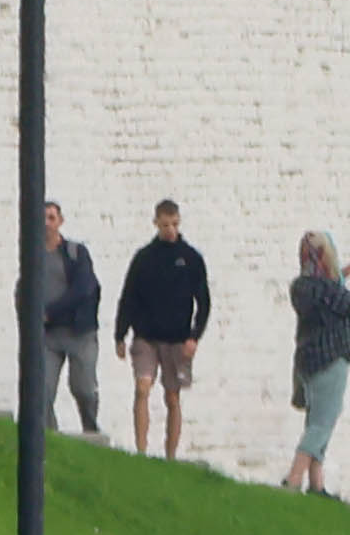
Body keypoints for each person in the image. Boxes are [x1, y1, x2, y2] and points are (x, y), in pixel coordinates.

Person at [282, 228, 350, 496]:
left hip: (306, 359)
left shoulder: (300, 287)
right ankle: (294, 480)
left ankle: (317, 484)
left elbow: (329, 299)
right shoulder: (328, 289)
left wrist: (344, 274)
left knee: (315, 419)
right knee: (323, 423)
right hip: (332, 359)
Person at [113, 199, 212, 462]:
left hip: (178, 338)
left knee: (172, 396)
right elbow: (129, 296)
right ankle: (141, 450)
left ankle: (171, 455)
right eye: (165, 224)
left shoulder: (191, 258)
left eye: (174, 224)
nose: (170, 229)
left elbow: (203, 301)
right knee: (142, 387)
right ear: (156, 223)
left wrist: (195, 336)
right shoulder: (144, 258)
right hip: (146, 335)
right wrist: (120, 334)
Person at [25, 196, 102, 436]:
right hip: (49, 336)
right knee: (43, 392)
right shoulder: (32, 257)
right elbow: (23, 289)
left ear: (60, 221)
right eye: (43, 218)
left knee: (84, 389)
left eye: (51, 218)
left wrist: (49, 313)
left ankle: (91, 430)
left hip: (80, 333)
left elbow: (83, 289)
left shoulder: (76, 253)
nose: (46, 223)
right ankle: (50, 438)